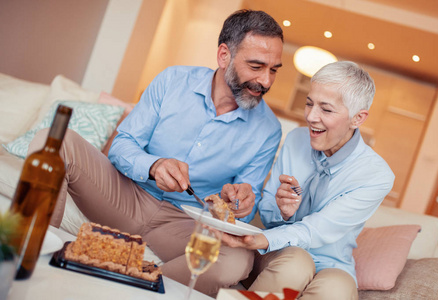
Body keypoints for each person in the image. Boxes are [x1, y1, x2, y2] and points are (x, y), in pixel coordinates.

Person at [28, 9, 284, 297]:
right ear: (224, 55)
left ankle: (135, 288)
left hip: (185, 223)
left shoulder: (269, 130)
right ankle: (30, 256)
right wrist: (153, 165)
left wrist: (241, 204)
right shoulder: (172, 80)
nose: (266, 81)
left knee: (238, 260)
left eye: (274, 69)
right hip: (126, 194)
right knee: (54, 142)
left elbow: (246, 208)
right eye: (256, 66)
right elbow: (122, 145)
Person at [222, 61, 395, 299]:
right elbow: (268, 209)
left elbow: (319, 230)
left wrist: (259, 238)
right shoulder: (296, 140)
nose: (311, 117)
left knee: (338, 291)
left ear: (358, 118)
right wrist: (283, 213)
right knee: (296, 263)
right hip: (282, 251)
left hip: (330, 263)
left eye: (326, 109)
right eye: (309, 103)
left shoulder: (376, 175)